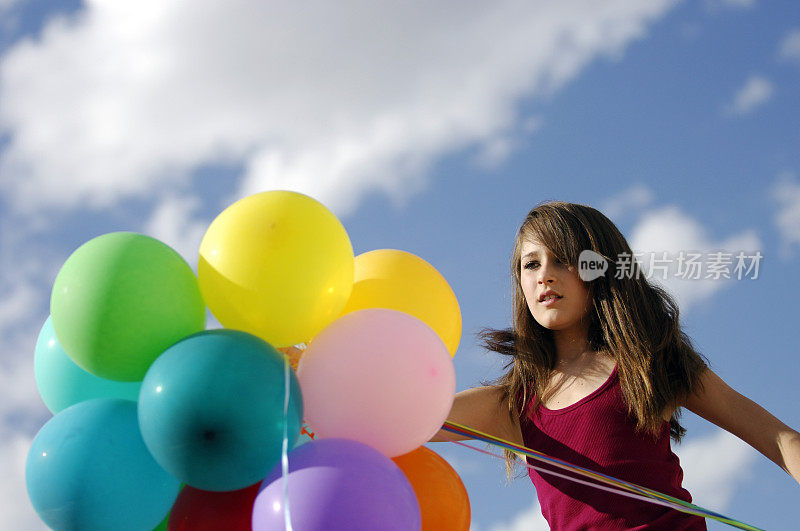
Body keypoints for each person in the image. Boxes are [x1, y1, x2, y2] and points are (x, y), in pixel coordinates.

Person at [429, 200, 800, 530]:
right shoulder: (513, 403)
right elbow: (402, 418)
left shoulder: (649, 359)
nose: (544, 273)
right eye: (531, 264)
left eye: (562, 258)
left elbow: (781, 439)